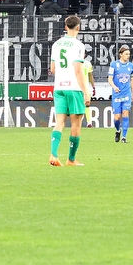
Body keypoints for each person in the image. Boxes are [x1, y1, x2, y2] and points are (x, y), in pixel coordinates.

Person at [48, 15, 90, 167]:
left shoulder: (56, 44)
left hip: (59, 87)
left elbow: (52, 69)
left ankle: (53, 154)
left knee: (59, 122)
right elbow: (78, 71)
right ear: (78, 27)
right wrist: (86, 91)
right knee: (76, 124)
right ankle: (71, 159)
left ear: (65, 27)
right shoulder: (78, 45)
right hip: (74, 88)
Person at [108, 45, 133, 143]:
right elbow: (110, 79)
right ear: (121, 54)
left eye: (129, 54)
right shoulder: (114, 65)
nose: (128, 56)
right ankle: (117, 130)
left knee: (125, 114)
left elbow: (132, 80)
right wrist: (114, 87)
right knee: (117, 118)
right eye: (126, 54)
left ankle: (124, 137)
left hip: (127, 94)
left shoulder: (131, 66)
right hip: (117, 95)